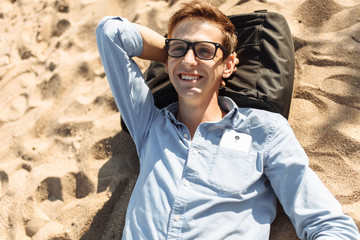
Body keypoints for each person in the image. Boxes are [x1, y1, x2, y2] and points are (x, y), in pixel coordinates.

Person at [96, 1, 360, 239]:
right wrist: (173, 56)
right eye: (179, 49)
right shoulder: (149, 123)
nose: (189, 60)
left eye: (204, 51)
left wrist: (182, 57)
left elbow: (328, 224)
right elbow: (110, 33)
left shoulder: (263, 129)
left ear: (229, 65)